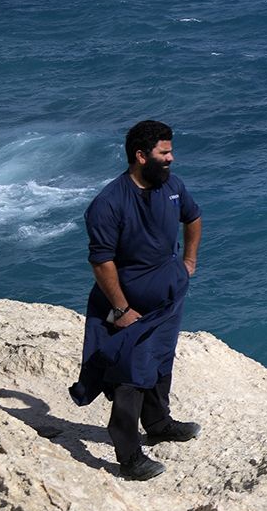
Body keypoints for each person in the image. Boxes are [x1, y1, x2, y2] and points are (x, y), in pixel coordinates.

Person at [67, 120, 204, 481]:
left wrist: (188, 262)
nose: (171, 158)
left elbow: (193, 218)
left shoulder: (172, 186)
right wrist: (121, 309)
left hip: (169, 299)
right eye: (164, 153)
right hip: (129, 307)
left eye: (170, 151)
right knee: (131, 374)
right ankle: (128, 456)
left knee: (160, 360)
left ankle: (158, 423)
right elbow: (101, 261)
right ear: (141, 156)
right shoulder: (108, 204)